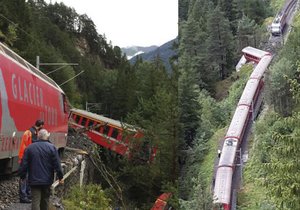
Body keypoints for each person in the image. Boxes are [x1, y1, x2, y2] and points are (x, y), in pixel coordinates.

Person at [19, 129, 64, 210]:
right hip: (47, 180)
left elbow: (24, 164)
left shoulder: (29, 148)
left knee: (35, 201)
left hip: (34, 180)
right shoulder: (52, 148)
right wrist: (60, 177)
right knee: (45, 200)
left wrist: (22, 176)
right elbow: (57, 164)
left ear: (38, 136)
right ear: (47, 137)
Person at [18, 120, 45, 203]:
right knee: (24, 177)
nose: (43, 127)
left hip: (25, 157)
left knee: (27, 176)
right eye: (42, 126)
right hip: (26, 157)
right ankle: (24, 196)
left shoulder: (30, 132)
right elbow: (32, 146)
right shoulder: (32, 133)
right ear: (40, 125)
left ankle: (26, 194)